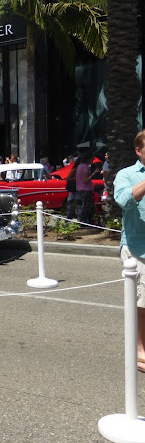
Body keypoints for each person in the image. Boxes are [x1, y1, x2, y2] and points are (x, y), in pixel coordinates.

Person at [114, 129, 145, 373]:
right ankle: (139, 348)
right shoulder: (126, 174)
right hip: (137, 248)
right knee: (142, 302)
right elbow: (124, 201)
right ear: (139, 150)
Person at [75, 153, 100, 223]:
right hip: (86, 189)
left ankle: (86, 221)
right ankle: (83, 221)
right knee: (86, 206)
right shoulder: (85, 167)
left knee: (85, 206)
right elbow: (85, 179)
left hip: (80, 188)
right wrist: (94, 174)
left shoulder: (79, 166)